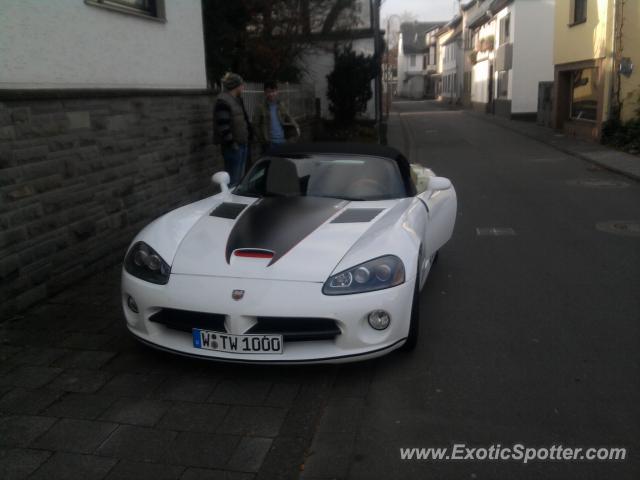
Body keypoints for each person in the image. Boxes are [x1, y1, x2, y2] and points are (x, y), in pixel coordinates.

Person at [213, 73, 251, 186]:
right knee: (233, 181)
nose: (243, 87)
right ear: (236, 86)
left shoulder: (237, 100)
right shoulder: (223, 102)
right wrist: (232, 144)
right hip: (233, 148)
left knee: (239, 180)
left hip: (242, 144)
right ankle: (232, 201)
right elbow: (223, 126)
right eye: (241, 84)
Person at [253, 81, 300, 153]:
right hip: (270, 144)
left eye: (273, 91)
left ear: (277, 91)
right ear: (265, 92)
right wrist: (263, 140)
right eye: (268, 91)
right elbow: (255, 125)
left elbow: (289, 117)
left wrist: (296, 127)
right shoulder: (260, 107)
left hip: (283, 142)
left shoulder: (281, 105)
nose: (271, 94)